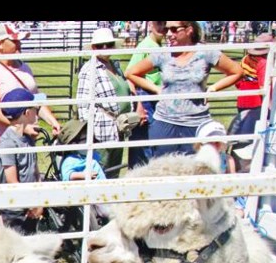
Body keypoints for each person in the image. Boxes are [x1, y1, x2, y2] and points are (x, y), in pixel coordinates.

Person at [125, 21, 242, 158]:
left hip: (196, 122)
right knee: (164, 170)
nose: (168, 34)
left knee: (193, 170)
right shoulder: (163, 54)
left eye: (174, 30)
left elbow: (237, 71)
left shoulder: (206, 53)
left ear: (189, 30)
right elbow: (130, 73)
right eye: (167, 30)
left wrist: (214, 88)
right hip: (165, 122)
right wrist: (156, 89)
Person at [0, 22, 62, 179]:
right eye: (14, 41)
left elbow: (35, 100)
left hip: (22, 136)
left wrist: (52, 121)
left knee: (26, 175)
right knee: (6, 180)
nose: (19, 44)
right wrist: (21, 127)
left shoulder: (24, 68)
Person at [76, 27, 131, 175]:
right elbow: (83, 106)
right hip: (101, 131)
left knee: (114, 169)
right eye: (100, 46)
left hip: (119, 127)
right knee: (101, 170)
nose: (105, 48)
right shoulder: (89, 69)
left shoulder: (115, 66)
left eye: (108, 44)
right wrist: (90, 133)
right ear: (93, 48)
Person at [0, 88, 44, 234]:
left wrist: (40, 199)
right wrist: (30, 204)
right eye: (36, 109)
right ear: (27, 113)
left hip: (31, 201)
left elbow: (35, 171)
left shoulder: (27, 138)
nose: (37, 113)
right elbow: (12, 180)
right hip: (15, 208)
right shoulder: (8, 143)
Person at [125, 21, 166, 169]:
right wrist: (138, 104)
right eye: (159, 24)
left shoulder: (159, 47)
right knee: (142, 145)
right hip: (146, 97)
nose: (162, 28)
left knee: (152, 144)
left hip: (155, 97)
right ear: (151, 26)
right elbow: (129, 75)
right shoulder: (145, 46)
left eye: (165, 24)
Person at [231, 33, 275, 142]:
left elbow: (238, 81)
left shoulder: (246, 59)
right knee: (251, 133)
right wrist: (270, 106)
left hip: (243, 99)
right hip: (257, 102)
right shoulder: (263, 63)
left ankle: (234, 150)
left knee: (241, 127)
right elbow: (263, 85)